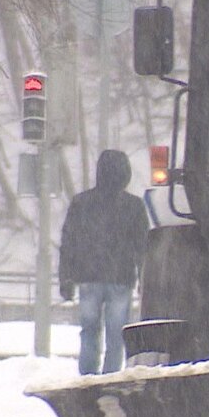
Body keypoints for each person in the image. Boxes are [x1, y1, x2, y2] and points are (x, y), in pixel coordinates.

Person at [58, 150, 150, 375]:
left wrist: (66, 277)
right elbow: (142, 245)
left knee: (89, 331)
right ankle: (110, 376)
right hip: (121, 278)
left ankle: (88, 376)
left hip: (88, 276)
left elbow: (69, 242)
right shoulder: (134, 206)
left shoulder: (82, 203)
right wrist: (144, 276)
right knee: (117, 335)